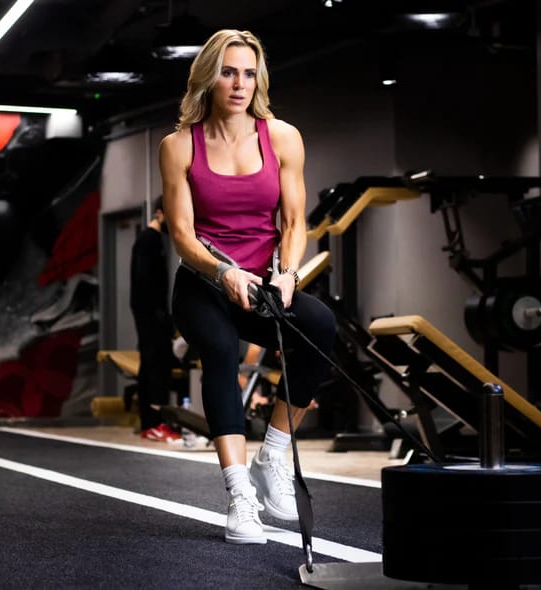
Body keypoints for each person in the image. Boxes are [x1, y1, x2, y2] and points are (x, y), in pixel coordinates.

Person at [159, 29, 337, 544]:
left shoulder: (282, 137)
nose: (239, 84)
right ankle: (240, 495)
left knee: (320, 325)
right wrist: (223, 271)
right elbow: (182, 235)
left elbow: (295, 221)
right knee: (219, 349)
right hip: (203, 284)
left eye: (249, 73)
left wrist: (287, 274)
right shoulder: (178, 146)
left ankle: (272, 456)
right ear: (208, 77)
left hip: (263, 285)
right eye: (228, 72)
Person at [129, 195, 180, 443]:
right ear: (160, 213)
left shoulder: (154, 240)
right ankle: (153, 423)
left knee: (154, 365)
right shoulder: (148, 240)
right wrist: (160, 318)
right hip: (150, 314)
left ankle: (153, 422)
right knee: (155, 366)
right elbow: (143, 283)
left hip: (152, 313)